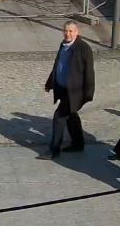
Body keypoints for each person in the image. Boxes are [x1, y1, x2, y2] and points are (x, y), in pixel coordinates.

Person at [40, 20, 95, 160]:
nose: (68, 33)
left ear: (77, 32)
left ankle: (54, 150)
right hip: (62, 88)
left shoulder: (83, 48)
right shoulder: (63, 44)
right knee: (71, 116)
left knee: (59, 117)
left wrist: (88, 94)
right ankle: (78, 143)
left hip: (74, 91)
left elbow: (89, 72)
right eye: (65, 30)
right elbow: (58, 66)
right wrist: (50, 83)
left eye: (71, 31)